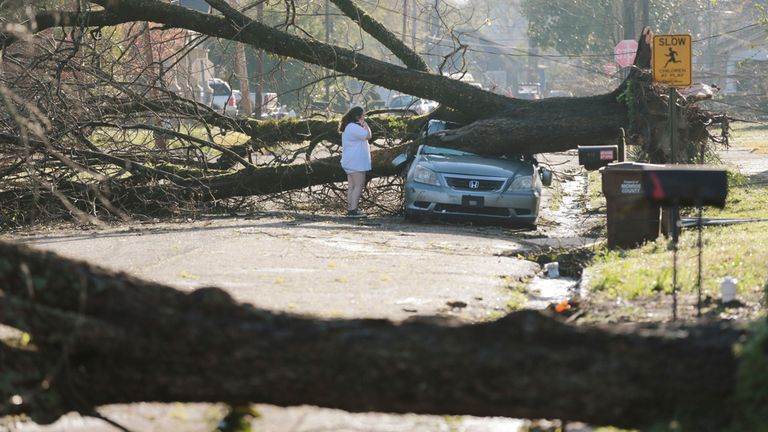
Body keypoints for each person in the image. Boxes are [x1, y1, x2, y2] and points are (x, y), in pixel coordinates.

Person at [339, 106, 372, 218]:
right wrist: (365, 125)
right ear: (358, 116)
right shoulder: (353, 127)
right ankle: (353, 210)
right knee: (358, 185)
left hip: (350, 161)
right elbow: (368, 135)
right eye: (363, 115)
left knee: (352, 186)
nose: (364, 117)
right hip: (355, 162)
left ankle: (351, 208)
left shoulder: (348, 127)